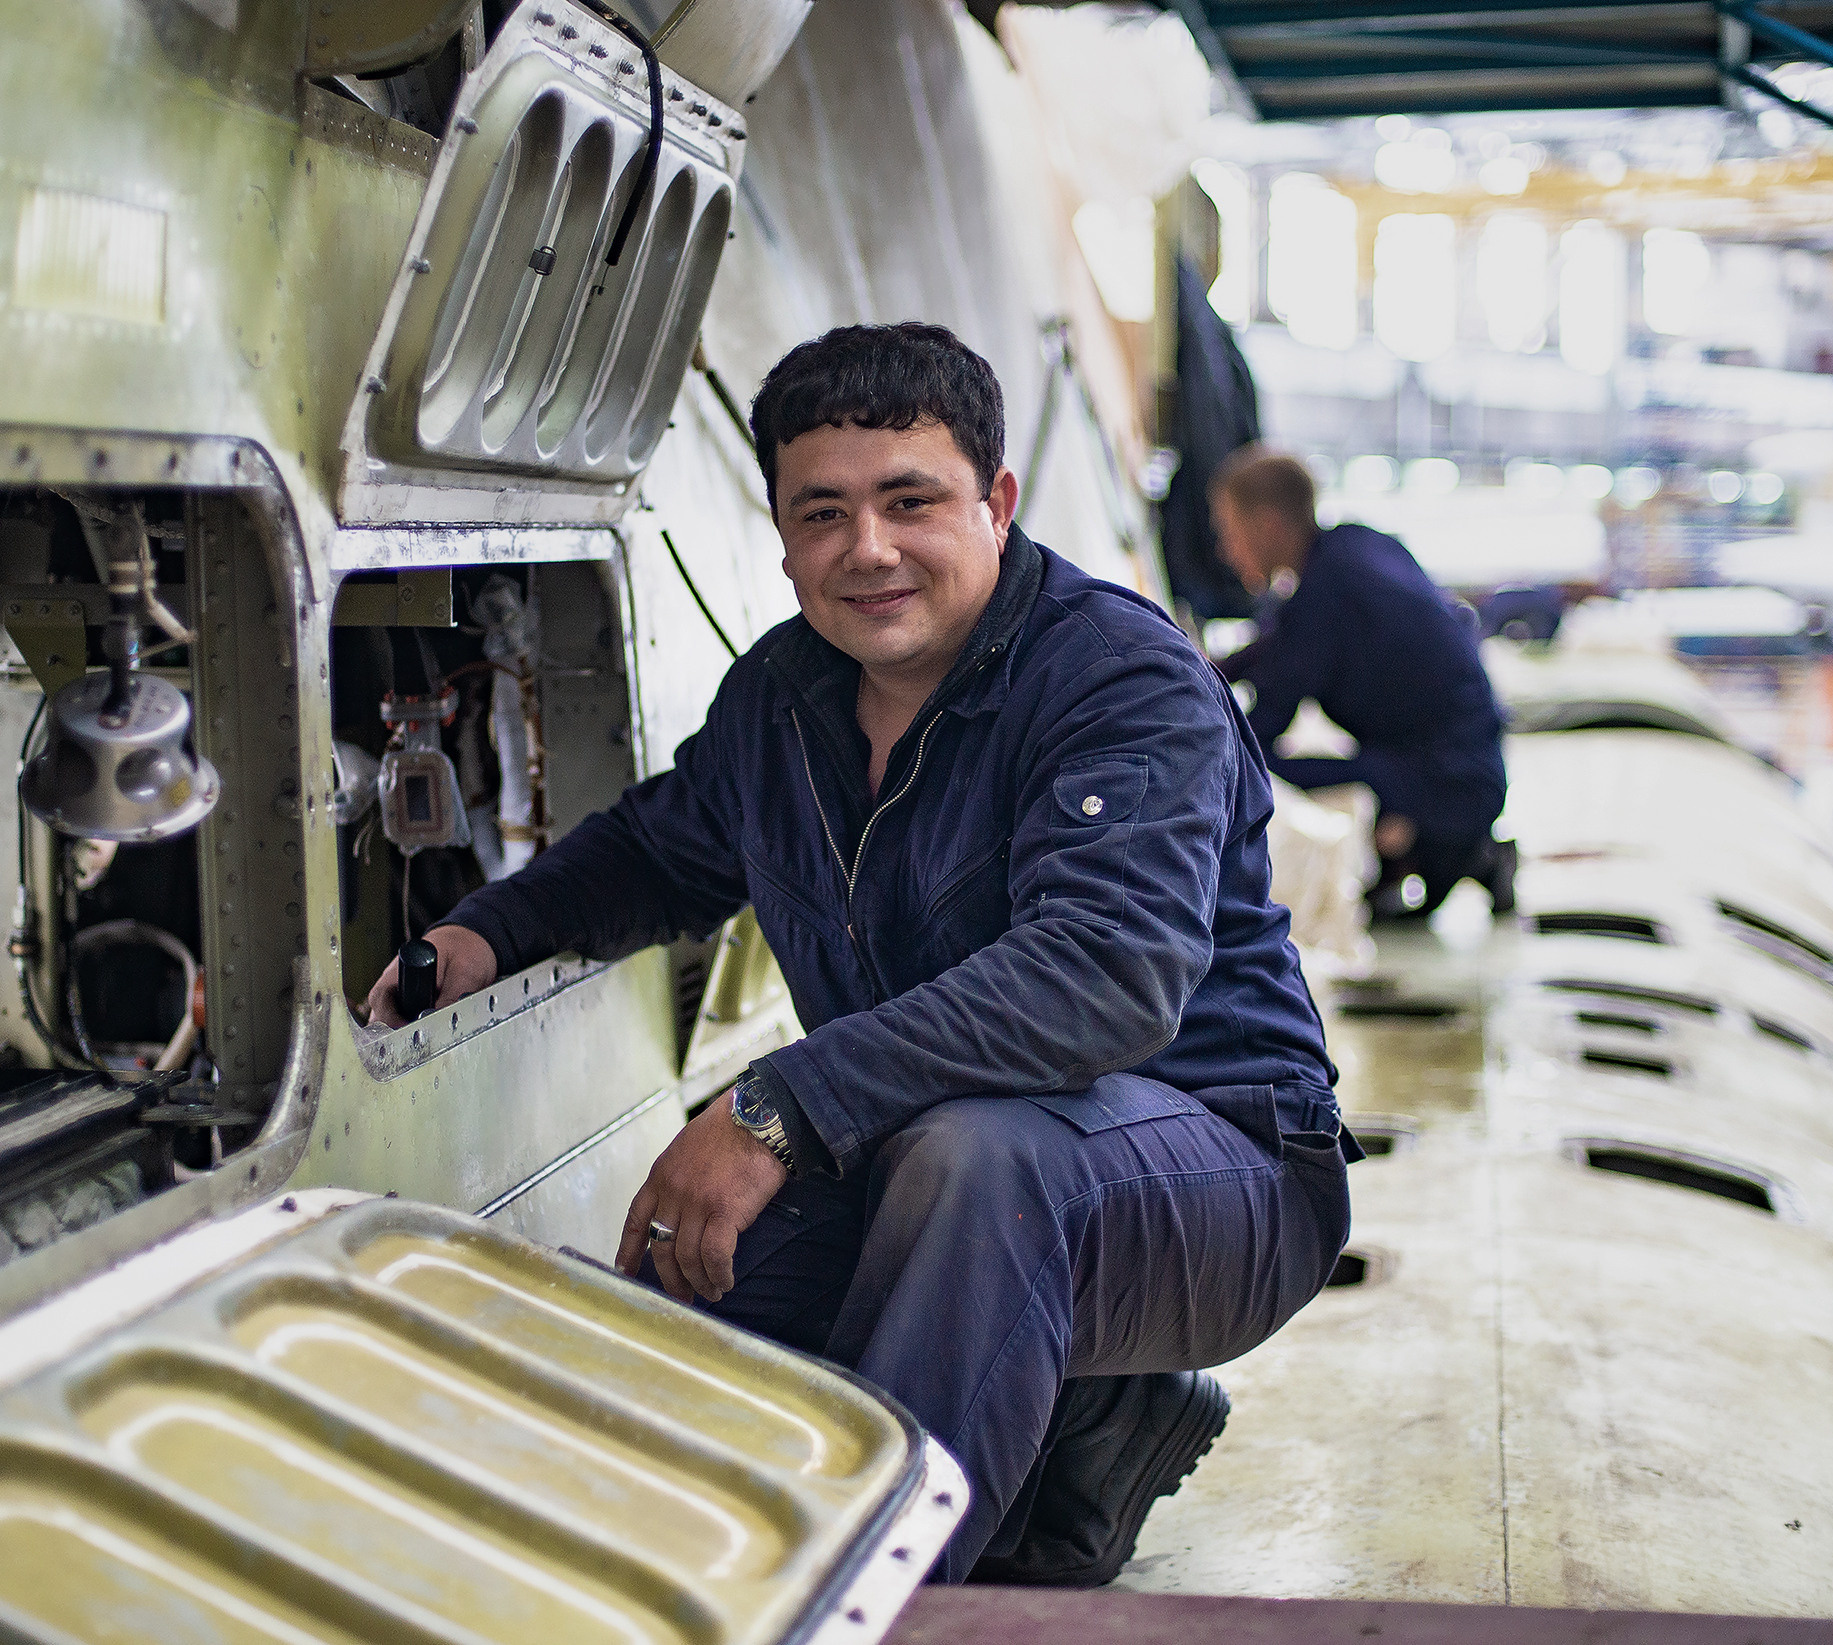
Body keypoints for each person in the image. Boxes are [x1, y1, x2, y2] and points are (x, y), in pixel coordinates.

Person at [368, 324, 1354, 1586]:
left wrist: (781, 1104)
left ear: (994, 502)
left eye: (910, 501)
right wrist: (476, 934)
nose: (867, 549)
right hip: (923, 1161)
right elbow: (660, 850)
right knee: (683, 1296)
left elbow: (1105, 975)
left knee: (981, 1160)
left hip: (1226, 1175)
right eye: (822, 512)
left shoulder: (1118, 680)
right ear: (781, 537)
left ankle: (882, 1597)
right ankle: (1086, 1420)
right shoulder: (783, 693)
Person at [1210, 448, 1514, 920]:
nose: (1225, 551)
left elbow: (1259, 722)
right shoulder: (1352, 550)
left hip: (1449, 781)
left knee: (1250, 764)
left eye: (1228, 530)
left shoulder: (1327, 596)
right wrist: (1205, 667)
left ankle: (1434, 846)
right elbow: (1277, 646)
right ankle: (1440, 851)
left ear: (1267, 524)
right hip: (1474, 759)